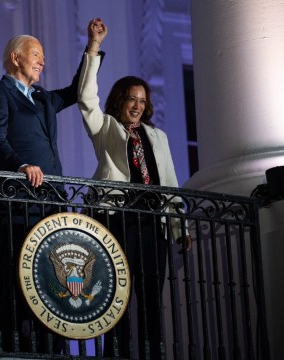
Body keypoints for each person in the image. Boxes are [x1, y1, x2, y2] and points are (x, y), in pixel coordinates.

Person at [0, 31, 104, 353]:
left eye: (43, 56)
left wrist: (93, 47)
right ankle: (14, 344)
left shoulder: (45, 98)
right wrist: (20, 166)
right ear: (16, 57)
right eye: (36, 54)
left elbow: (77, 90)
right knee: (18, 276)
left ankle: (53, 345)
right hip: (18, 202)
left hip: (51, 201)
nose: (43, 61)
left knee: (50, 275)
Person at [79, 18, 191, 360]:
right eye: (131, 98)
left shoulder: (159, 137)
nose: (137, 105)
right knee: (117, 297)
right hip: (118, 222)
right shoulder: (106, 128)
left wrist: (179, 226)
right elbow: (86, 98)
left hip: (152, 226)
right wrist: (94, 47)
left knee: (151, 300)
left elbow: (169, 182)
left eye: (142, 100)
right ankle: (118, 355)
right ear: (120, 101)